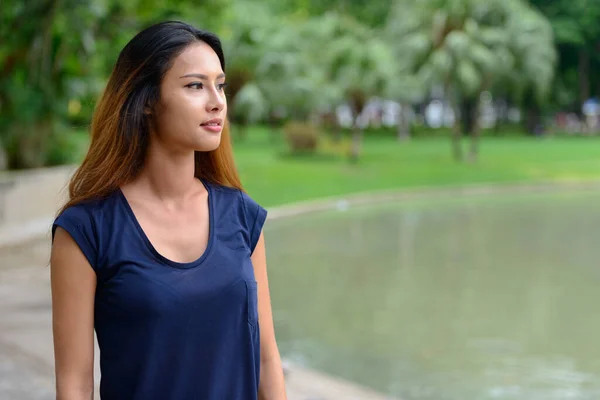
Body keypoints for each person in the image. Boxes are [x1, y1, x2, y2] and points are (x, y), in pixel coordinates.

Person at [50, 21, 287, 400]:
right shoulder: (86, 230)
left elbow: (266, 361)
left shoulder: (241, 215)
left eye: (220, 85)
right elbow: (74, 385)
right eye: (195, 85)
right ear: (145, 101)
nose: (217, 101)